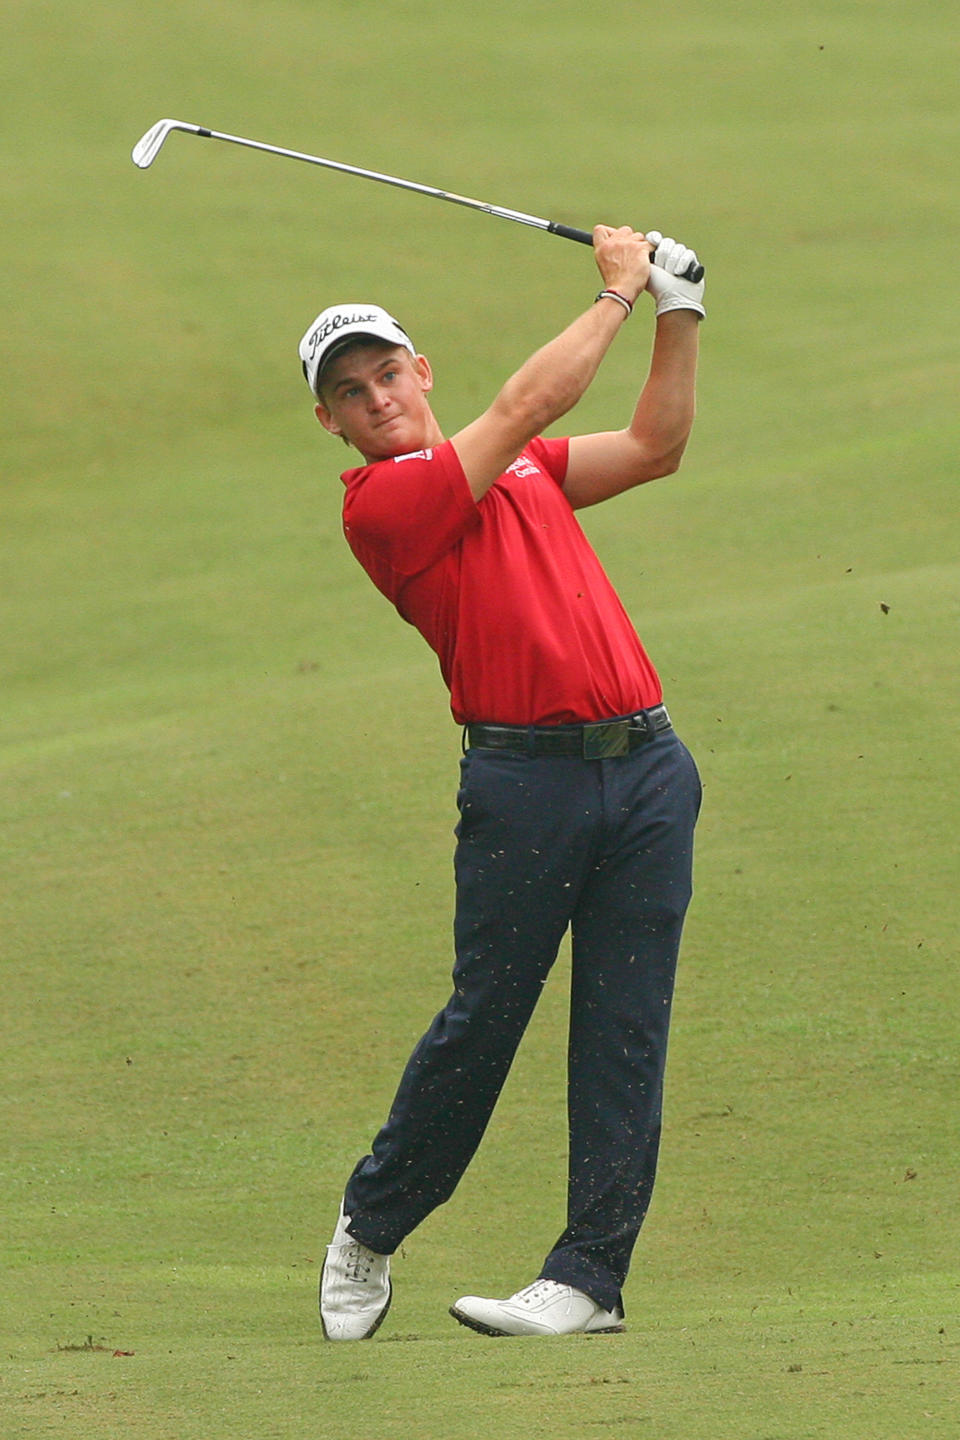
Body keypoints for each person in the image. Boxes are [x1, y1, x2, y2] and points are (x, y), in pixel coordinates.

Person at [299, 224, 705, 1339]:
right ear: (328, 421)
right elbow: (525, 405)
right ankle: (371, 1226)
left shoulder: (518, 466)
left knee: (626, 1027)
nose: (377, 397)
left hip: (650, 769)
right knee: (486, 1022)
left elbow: (657, 447)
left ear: (420, 371)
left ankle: (587, 1279)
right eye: (350, 391)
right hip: (527, 787)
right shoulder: (384, 504)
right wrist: (620, 292)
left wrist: (681, 311)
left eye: (388, 373)